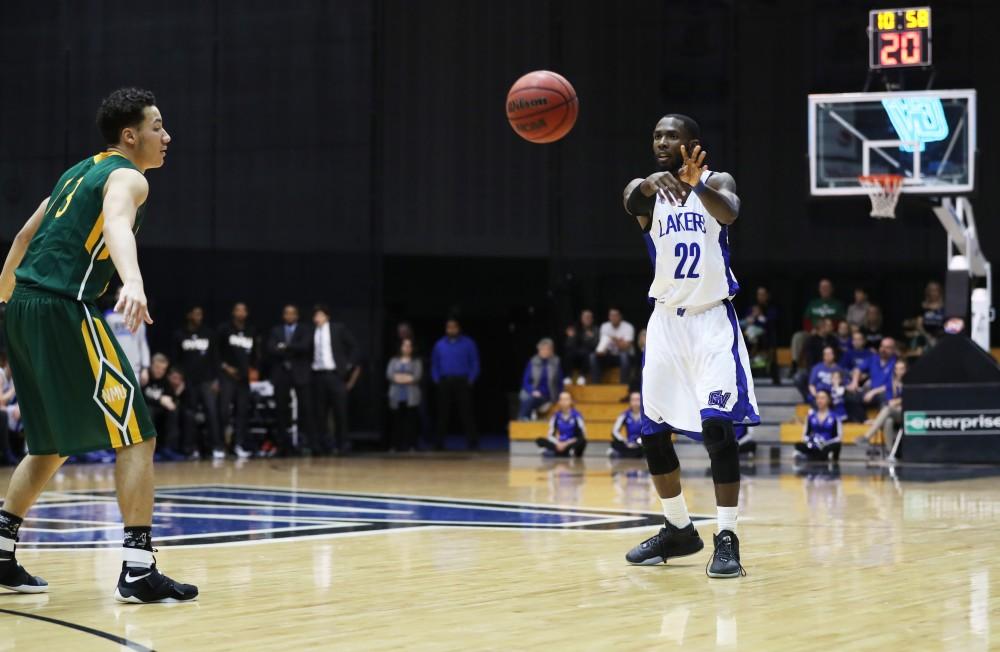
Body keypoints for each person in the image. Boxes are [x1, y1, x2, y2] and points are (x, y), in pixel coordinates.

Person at [0, 88, 196, 602]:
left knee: (48, 443)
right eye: (157, 126)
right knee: (137, 432)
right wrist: (131, 280)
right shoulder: (128, 177)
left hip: (22, 307)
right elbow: (115, 223)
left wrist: (4, 306)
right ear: (130, 136)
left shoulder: (72, 175)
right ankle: (137, 567)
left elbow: (22, 240)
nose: (166, 136)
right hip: (66, 306)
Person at [622, 113, 759, 577]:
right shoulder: (647, 191)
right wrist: (645, 186)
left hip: (710, 321)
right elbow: (629, 201)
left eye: (671, 135)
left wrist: (698, 185)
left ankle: (727, 536)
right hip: (665, 323)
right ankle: (679, 529)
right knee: (653, 435)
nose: (661, 140)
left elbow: (730, 211)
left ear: (692, 143)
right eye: (656, 134)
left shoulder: (716, 181)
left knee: (718, 432)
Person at [171, 305, 222, 459]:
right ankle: (190, 448)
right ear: (189, 315)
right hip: (188, 382)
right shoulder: (179, 335)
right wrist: (178, 378)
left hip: (207, 381)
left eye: (200, 314)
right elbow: (175, 359)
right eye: (196, 314)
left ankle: (216, 447)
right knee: (189, 415)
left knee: (212, 413)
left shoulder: (209, 334)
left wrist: (216, 380)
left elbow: (216, 358)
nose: (198, 317)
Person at [311, 304, 361, 455]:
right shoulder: (311, 332)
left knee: (340, 411)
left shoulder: (337, 329)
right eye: (315, 316)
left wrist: (347, 365)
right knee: (320, 413)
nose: (317, 318)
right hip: (318, 375)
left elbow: (354, 347)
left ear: (327, 316)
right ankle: (324, 445)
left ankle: (343, 444)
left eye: (320, 315)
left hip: (335, 375)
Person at [266, 304, 314, 455]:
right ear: (283, 315)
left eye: (292, 313)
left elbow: (304, 347)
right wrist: (291, 348)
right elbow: (271, 348)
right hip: (281, 374)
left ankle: (304, 442)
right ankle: (283, 444)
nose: (290, 316)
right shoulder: (276, 330)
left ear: (297, 316)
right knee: (281, 409)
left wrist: (285, 347)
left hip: (300, 374)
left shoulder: (305, 329)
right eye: (287, 313)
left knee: (305, 408)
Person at [431, 317, 480, 450]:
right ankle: (439, 443)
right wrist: (436, 379)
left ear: (458, 328)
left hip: (462, 381)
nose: (451, 329)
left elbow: (475, 362)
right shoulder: (439, 344)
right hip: (445, 381)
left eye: (454, 327)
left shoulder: (468, 343)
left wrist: (471, 379)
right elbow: (434, 364)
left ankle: (472, 442)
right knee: (442, 413)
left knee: (467, 413)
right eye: (449, 327)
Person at [217, 302, 257, 459]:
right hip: (227, 376)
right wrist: (226, 367)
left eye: (243, 310)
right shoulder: (224, 329)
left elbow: (255, 353)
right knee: (223, 411)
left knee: (242, 412)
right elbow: (216, 352)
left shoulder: (251, 330)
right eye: (237, 310)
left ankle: (238, 444)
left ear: (246, 313)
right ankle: (220, 445)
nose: (240, 313)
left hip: (243, 378)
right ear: (233, 312)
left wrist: (253, 368)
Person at [790, 279, 845, 374]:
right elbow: (806, 320)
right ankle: (795, 364)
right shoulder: (813, 303)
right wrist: (812, 330)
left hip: (832, 332)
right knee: (798, 336)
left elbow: (841, 321)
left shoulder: (837, 304)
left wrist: (829, 329)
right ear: (819, 289)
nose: (824, 289)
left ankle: (838, 366)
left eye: (827, 287)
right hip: (813, 332)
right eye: (822, 287)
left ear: (832, 289)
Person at [105, 285, 151, 386]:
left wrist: (145, 368)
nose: (122, 297)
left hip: (134, 369)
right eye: (119, 294)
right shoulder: (108, 317)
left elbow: (142, 343)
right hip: (113, 367)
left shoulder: (138, 318)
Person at [142, 354, 185, 461]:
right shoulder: (144, 378)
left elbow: (171, 400)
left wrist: (176, 394)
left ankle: (168, 449)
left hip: (160, 411)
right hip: (146, 410)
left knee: (173, 411)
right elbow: (140, 398)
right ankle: (149, 450)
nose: (159, 371)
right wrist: (159, 400)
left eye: (163, 369)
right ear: (151, 366)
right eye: (157, 368)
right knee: (149, 411)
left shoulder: (165, 381)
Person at [858, 359, 907, 448]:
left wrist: (899, 401)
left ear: (906, 370)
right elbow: (890, 401)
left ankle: (867, 437)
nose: (899, 371)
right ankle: (891, 452)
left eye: (902, 369)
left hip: (907, 413)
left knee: (887, 409)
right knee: (888, 420)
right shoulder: (891, 383)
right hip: (895, 413)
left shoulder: (910, 382)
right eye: (897, 369)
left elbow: (910, 398)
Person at [386, 338, 422, 452]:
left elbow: (416, 377)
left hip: (411, 395)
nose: (406, 348)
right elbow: (390, 375)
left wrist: (400, 378)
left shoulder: (416, 361)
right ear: (401, 347)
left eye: (409, 346)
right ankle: (395, 446)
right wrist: (406, 378)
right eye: (404, 346)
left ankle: (412, 445)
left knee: (411, 422)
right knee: (396, 422)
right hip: (396, 394)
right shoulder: (394, 360)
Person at [517, 338, 563, 420]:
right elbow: (525, 381)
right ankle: (524, 418)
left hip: (548, 395)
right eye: (542, 349)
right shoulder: (533, 362)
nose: (545, 351)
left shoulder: (556, 362)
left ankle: (523, 418)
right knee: (526, 397)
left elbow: (559, 382)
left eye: (547, 349)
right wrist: (532, 391)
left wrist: (559, 396)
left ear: (551, 351)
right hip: (534, 393)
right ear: (539, 350)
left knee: (530, 399)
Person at [534, 391, 587, 457]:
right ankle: (566, 453)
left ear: (571, 401)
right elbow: (550, 435)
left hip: (571, 443)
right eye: (562, 399)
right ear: (559, 401)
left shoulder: (577, 416)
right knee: (539, 440)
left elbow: (582, 435)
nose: (564, 402)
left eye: (566, 399)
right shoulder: (556, 416)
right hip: (558, 443)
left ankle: (556, 452)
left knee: (582, 441)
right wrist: (558, 443)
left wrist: (566, 443)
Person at [794, 390, 842, 462]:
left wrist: (824, 443)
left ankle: (811, 456)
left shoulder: (835, 417)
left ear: (828, 400)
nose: (820, 400)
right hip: (814, 444)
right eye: (818, 398)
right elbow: (805, 435)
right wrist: (812, 442)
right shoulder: (811, 416)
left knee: (836, 445)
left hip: (826, 445)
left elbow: (838, 437)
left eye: (822, 398)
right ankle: (816, 455)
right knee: (798, 445)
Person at [591, 308, 634, 384]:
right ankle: (595, 384)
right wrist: (600, 351)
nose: (613, 317)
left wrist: (614, 339)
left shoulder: (628, 327)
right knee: (592, 356)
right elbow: (603, 345)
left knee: (624, 356)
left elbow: (626, 347)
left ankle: (623, 384)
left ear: (620, 316)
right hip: (609, 355)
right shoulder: (605, 326)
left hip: (623, 355)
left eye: (615, 315)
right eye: (611, 315)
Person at [563, 309, 599, 384]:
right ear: (581, 319)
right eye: (585, 317)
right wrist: (571, 337)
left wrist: (590, 337)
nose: (587, 319)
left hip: (589, 352)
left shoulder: (596, 330)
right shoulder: (576, 328)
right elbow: (568, 345)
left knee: (587, 354)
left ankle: (582, 376)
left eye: (589, 317)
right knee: (568, 354)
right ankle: (568, 377)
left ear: (592, 319)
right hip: (576, 352)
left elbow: (595, 345)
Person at [609, 392, 644, 458]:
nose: (635, 402)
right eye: (633, 400)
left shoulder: (646, 416)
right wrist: (624, 441)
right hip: (628, 443)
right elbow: (614, 431)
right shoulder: (624, 414)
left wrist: (641, 441)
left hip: (641, 444)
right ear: (630, 401)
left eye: (637, 399)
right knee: (615, 443)